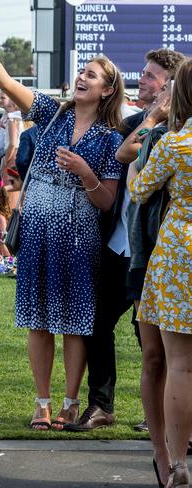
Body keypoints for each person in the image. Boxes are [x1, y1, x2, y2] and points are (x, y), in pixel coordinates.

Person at [0, 11, 125, 431]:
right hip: (38, 230)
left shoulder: (111, 139)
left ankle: (71, 403)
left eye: (91, 75)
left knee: (74, 321)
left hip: (78, 235)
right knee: (38, 320)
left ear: (107, 89)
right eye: (81, 71)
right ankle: (41, 402)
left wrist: (85, 172)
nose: (81, 78)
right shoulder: (51, 113)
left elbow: (108, 200)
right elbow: (6, 83)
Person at [66, 48, 185, 443]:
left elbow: (132, 158)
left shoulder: (179, 131)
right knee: (97, 322)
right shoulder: (133, 122)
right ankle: (101, 405)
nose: (142, 80)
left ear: (170, 85)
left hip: (158, 251)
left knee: (156, 344)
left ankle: (167, 416)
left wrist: (157, 120)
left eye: (151, 76)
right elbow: (123, 149)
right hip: (119, 245)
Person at [128, 58, 192, 488]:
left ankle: (178, 462)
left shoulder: (174, 142)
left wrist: (133, 169)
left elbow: (138, 189)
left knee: (181, 365)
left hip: (179, 249)